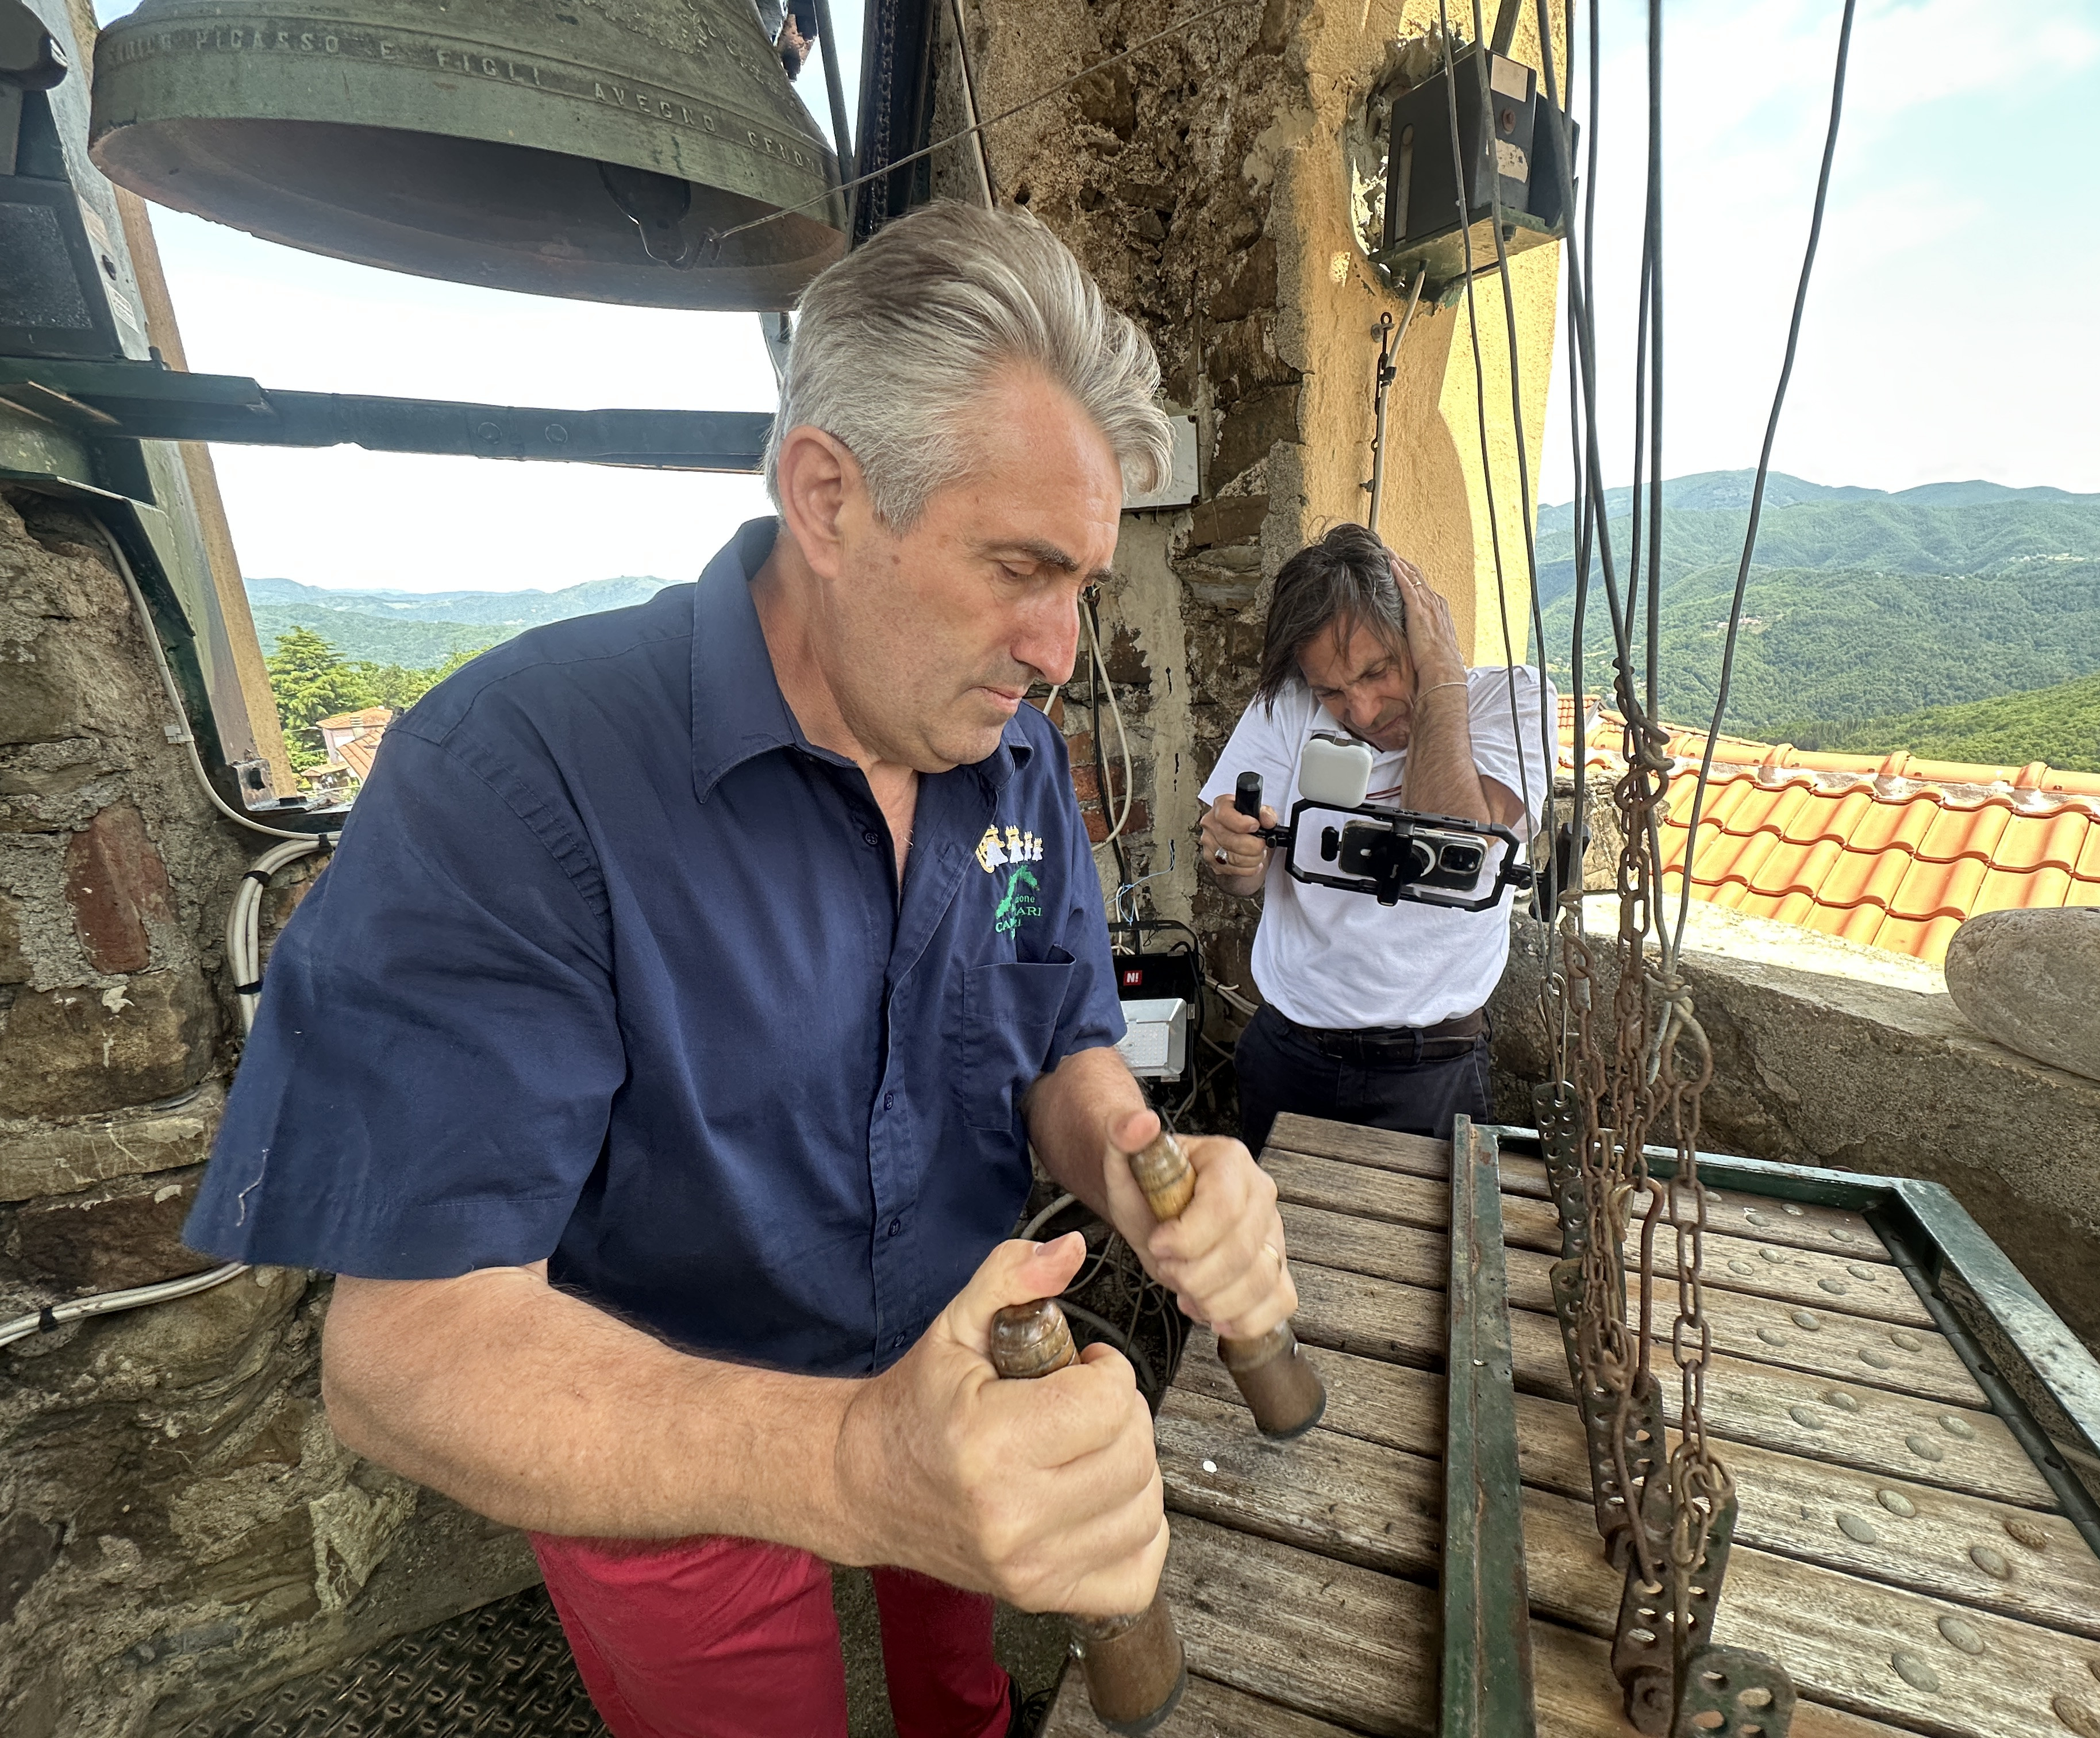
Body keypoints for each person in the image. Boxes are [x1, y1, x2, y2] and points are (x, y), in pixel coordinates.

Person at [182, 203, 1299, 1738]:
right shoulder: (517, 778)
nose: (1058, 647)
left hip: (968, 1351)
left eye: (1085, 584)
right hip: (655, 1430)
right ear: (829, 498)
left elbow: (1056, 1052)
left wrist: (1154, 1171)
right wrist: (849, 1465)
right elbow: (407, 1356)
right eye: (1018, 567)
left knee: (963, 1700)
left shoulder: (1010, 755)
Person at [1197, 524, 1554, 1155]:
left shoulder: (1515, 703)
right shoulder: (1285, 707)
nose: (1360, 711)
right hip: (1289, 1051)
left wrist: (1442, 679)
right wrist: (1235, 853)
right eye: (1331, 691)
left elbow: (1455, 850)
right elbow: (1240, 876)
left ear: (1422, 634)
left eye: (1380, 670)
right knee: (1271, 1251)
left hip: (1432, 1068)